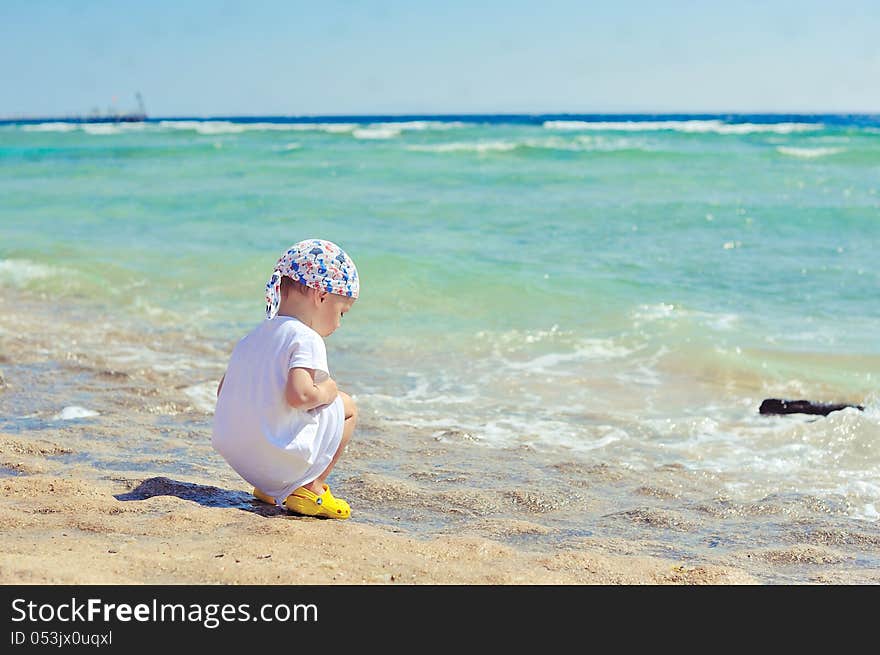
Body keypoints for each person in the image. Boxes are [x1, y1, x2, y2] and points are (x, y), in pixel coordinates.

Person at [212, 238, 359, 519]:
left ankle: (271, 489)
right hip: (275, 458)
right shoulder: (306, 337)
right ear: (321, 296)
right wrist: (327, 390)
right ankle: (310, 488)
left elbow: (224, 391)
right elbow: (299, 395)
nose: (339, 324)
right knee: (347, 407)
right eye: (341, 312)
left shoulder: (252, 337)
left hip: (241, 457)